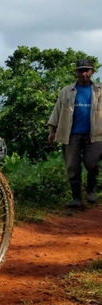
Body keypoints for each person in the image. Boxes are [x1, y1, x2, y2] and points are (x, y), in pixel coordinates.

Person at [47, 59, 102, 208]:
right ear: (76, 72)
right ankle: (76, 198)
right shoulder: (66, 91)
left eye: (87, 70)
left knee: (92, 164)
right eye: (81, 70)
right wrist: (52, 131)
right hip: (71, 134)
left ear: (92, 72)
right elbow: (57, 111)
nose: (84, 73)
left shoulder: (99, 90)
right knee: (72, 166)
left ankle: (91, 190)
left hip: (95, 135)